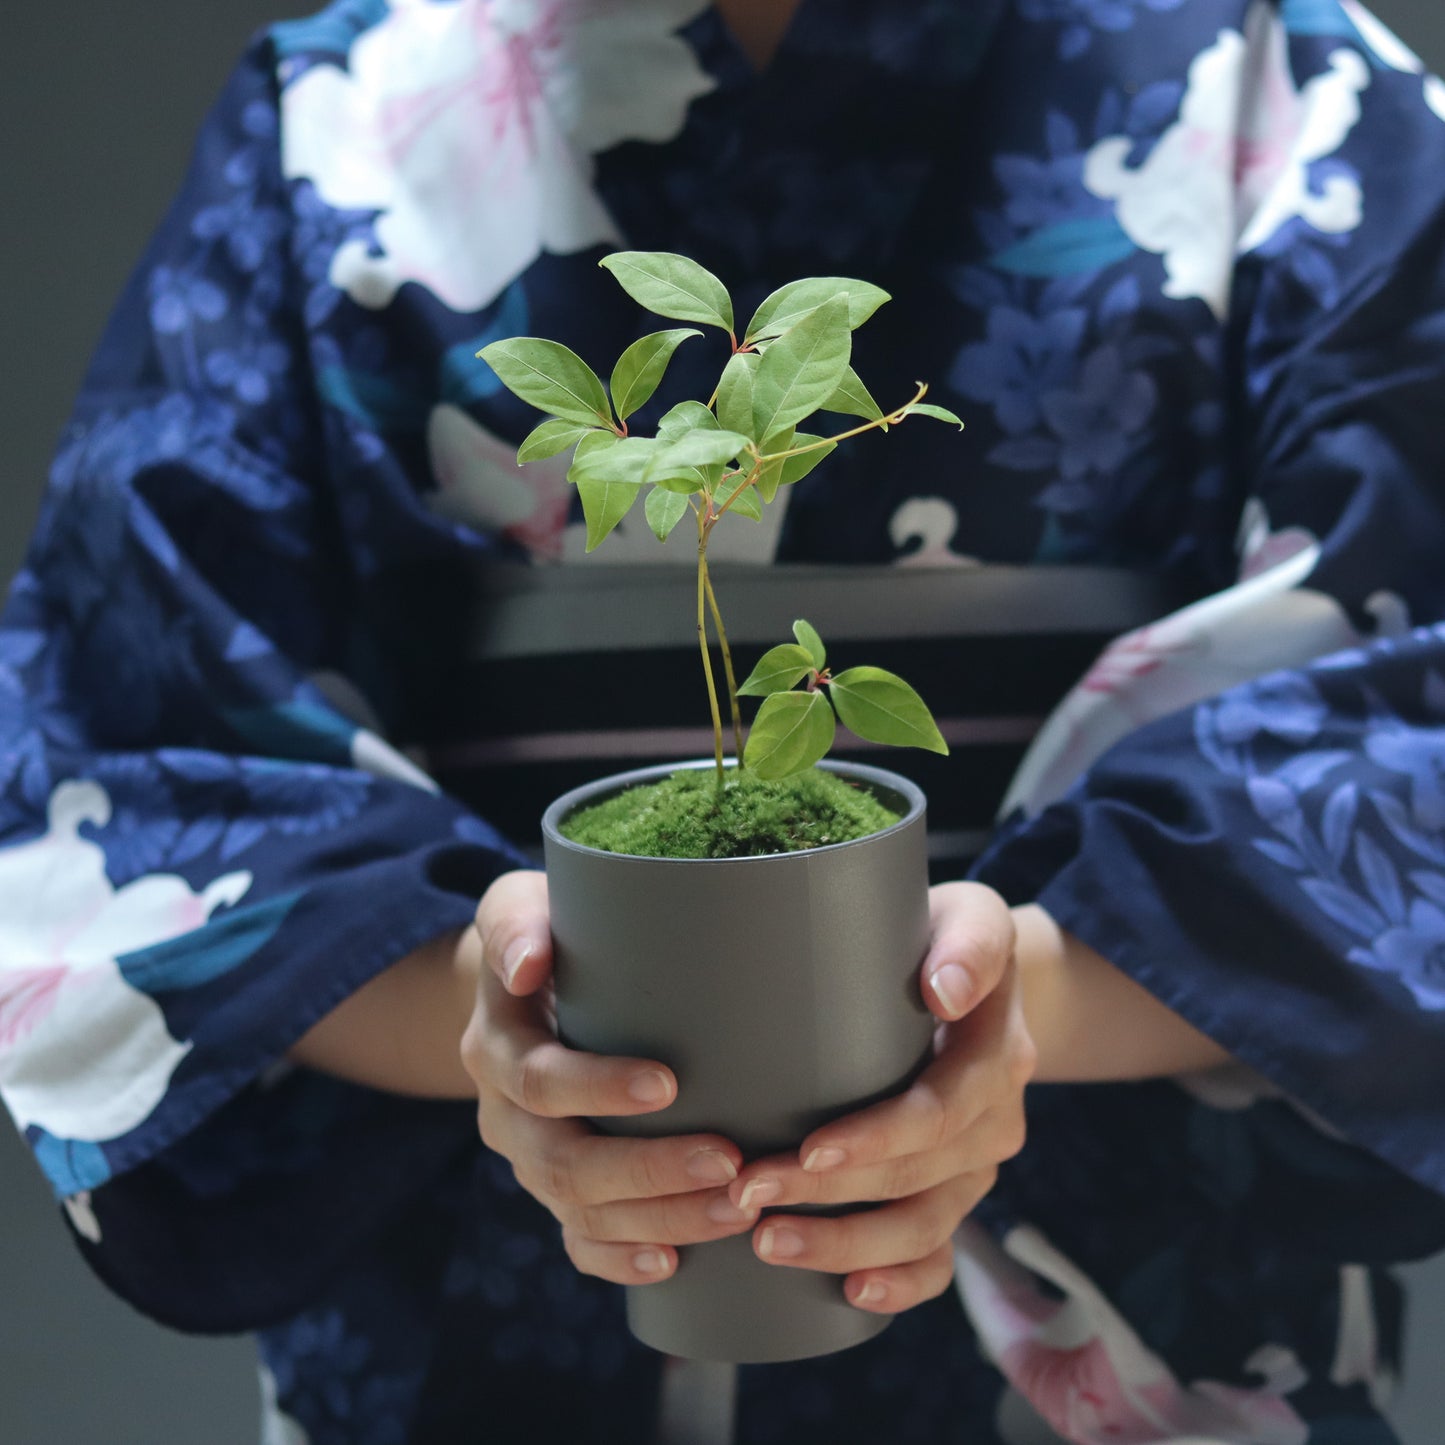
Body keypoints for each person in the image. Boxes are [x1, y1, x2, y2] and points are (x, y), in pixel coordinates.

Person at [4, 0, 1445, 1440]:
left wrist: (1025, 1000)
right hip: (498, 1301)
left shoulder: (1284, 84)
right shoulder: (338, 113)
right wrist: (497, 1019)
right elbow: (139, 736)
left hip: (1141, 1299)